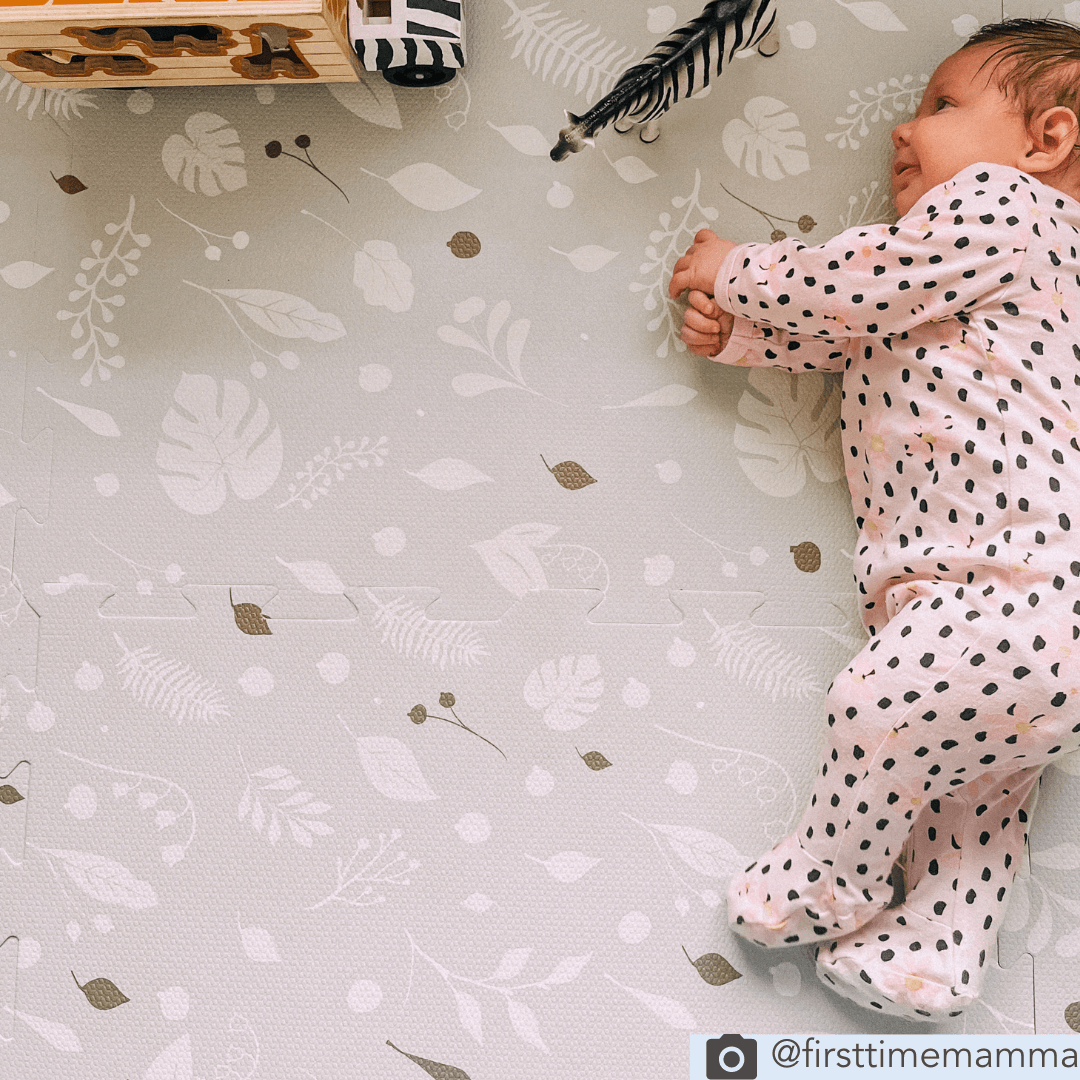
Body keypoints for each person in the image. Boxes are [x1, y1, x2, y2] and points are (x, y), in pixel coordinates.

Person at [667, 18, 1080, 1021]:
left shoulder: (1006, 209)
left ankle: (830, 874)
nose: (903, 128)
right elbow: (866, 337)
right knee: (968, 796)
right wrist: (744, 342)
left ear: (1047, 141)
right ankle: (932, 952)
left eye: (941, 105)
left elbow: (869, 279)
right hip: (1000, 609)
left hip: (1016, 589)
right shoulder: (996, 275)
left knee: (877, 709)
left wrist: (740, 272)